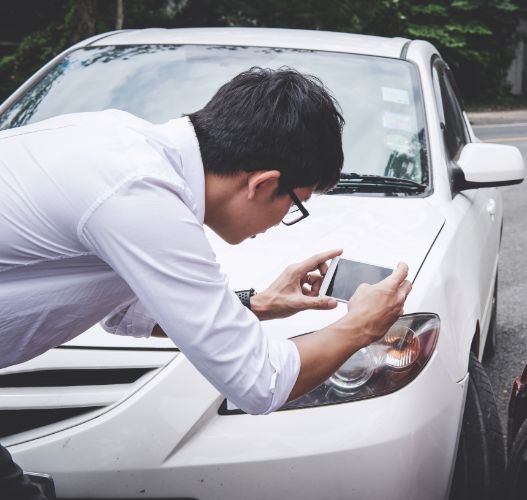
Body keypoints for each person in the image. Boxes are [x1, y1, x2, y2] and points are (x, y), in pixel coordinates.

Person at [0, 67, 411, 499]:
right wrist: (361, 327)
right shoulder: (142, 195)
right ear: (264, 183)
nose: (283, 223)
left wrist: (259, 303)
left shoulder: (120, 143)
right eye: (296, 205)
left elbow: (127, 314)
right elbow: (261, 381)